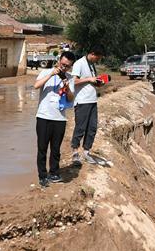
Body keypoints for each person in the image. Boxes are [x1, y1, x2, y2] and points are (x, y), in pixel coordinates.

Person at [33, 51, 76, 187]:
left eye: (67, 66)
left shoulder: (70, 78)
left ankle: (54, 173)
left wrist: (67, 86)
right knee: (42, 148)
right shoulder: (46, 72)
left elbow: (70, 98)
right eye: (62, 65)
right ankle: (42, 176)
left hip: (60, 118)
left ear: (71, 66)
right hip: (44, 117)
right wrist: (51, 74)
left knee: (56, 149)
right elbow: (36, 86)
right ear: (58, 61)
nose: (64, 68)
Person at [69, 44, 106, 166]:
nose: (98, 60)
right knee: (80, 127)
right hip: (82, 102)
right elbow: (74, 82)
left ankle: (86, 151)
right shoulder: (79, 63)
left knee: (92, 128)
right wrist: (89, 79)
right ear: (92, 54)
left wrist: (97, 82)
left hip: (92, 101)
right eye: (98, 58)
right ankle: (75, 152)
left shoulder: (91, 65)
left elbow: (90, 81)